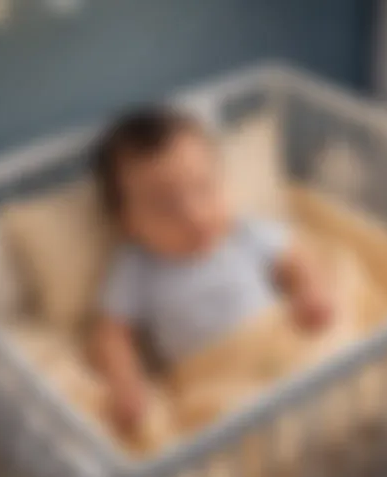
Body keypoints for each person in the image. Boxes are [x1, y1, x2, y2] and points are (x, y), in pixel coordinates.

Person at [92, 106, 333, 431]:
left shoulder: (243, 231)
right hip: (210, 374)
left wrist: (309, 291)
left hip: (272, 338)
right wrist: (126, 382)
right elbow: (112, 334)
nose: (194, 215)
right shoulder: (137, 265)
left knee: (323, 369)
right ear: (127, 222)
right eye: (165, 206)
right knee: (219, 424)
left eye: (204, 188)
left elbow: (296, 259)